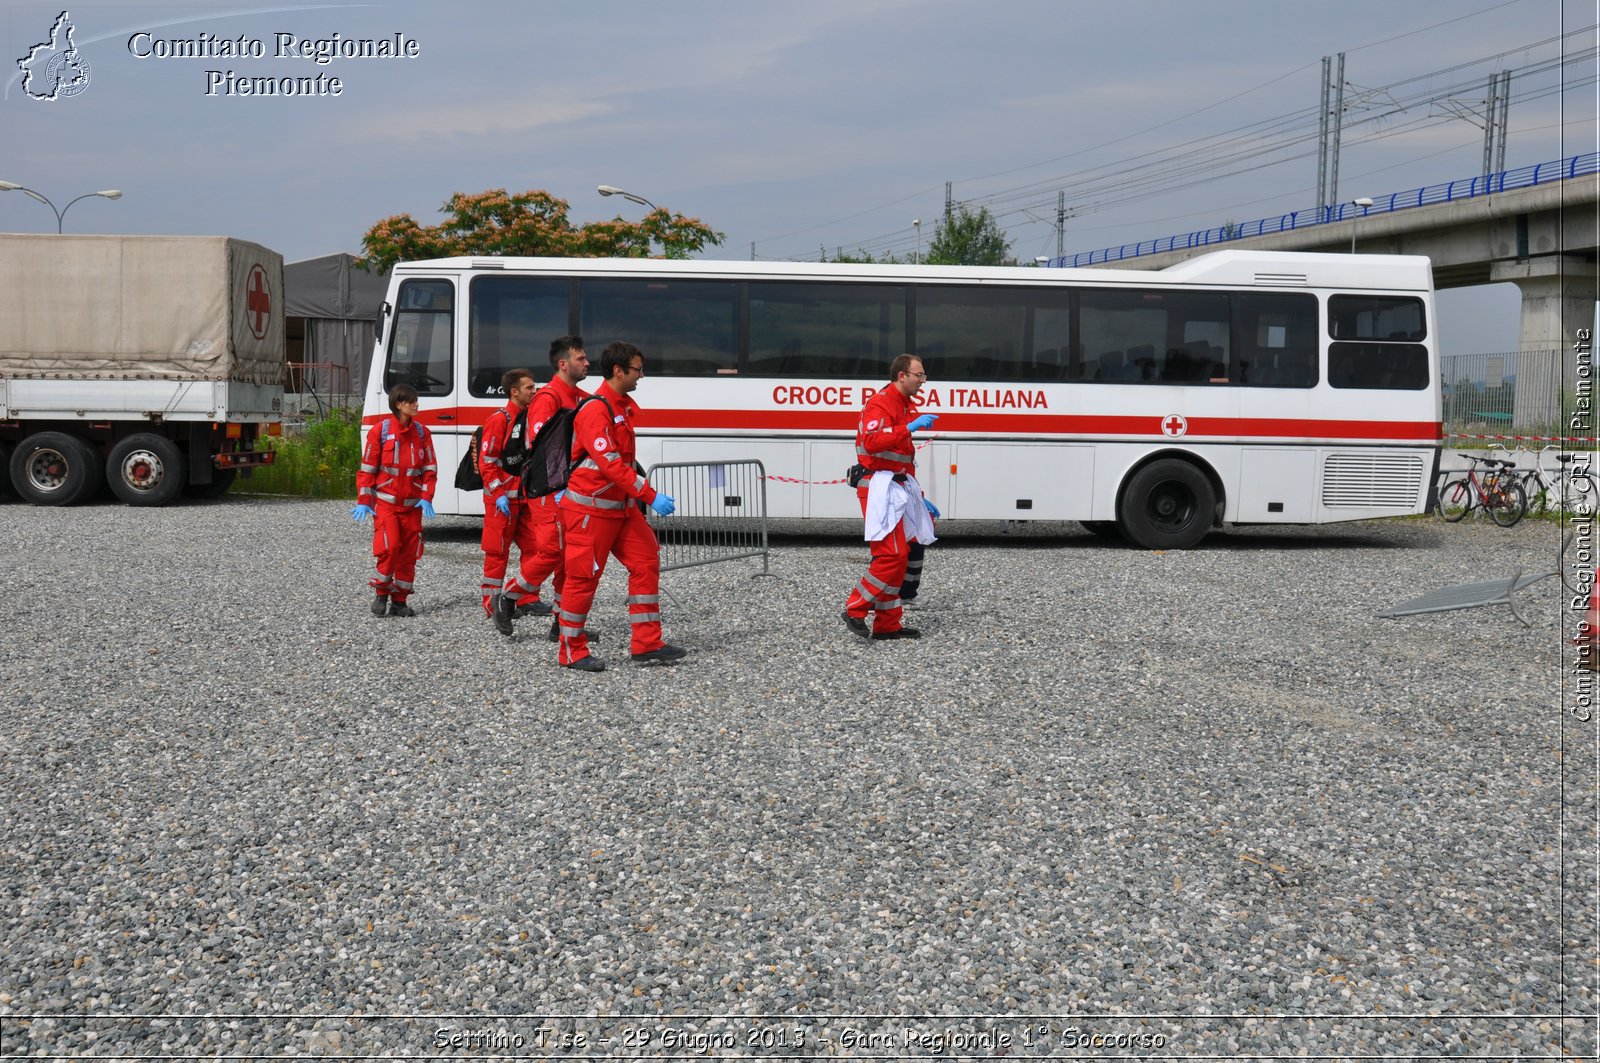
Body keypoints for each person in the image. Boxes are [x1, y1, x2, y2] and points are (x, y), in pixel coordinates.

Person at [555, 341, 686, 672]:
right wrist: (649, 494)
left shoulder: (620, 407)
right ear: (619, 370)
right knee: (583, 578)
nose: (642, 375)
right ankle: (570, 650)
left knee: (646, 561)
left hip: (619, 509)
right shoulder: (595, 410)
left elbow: (619, 464)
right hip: (591, 512)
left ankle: (646, 643)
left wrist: (637, 497)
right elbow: (611, 463)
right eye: (638, 369)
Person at [493, 336, 594, 642]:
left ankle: (561, 623)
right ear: (563, 364)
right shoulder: (548, 399)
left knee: (571, 556)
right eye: (581, 358)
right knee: (552, 551)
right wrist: (559, 487)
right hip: (549, 491)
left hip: (569, 490)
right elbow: (541, 450)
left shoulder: (581, 397)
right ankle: (509, 596)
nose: (587, 362)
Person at [843, 354, 938, 640]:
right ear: (901, 375)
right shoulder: (882, 403)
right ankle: (854, 608)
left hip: (895, 486)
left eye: (923, 375)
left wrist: (917, 496)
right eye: (918, 375)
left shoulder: (903, 404)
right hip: (879, 487)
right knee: (892, 555)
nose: (923, 381)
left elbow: (901, 460)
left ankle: (887, 625)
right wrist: (908, 428)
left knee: (902, 554)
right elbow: (873, 442)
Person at [353, 383, 438, 616]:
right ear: (399, 405)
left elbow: (430, 470)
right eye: (412, 401)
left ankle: (400, 601)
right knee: (388, 549)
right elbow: (367, 470)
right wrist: (364, 500)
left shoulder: (422, 433)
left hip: (412, 509)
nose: (416, 404)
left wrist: (426, 496)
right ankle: (381, 595)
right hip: (387, 506)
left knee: (409, 554)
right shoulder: (379, 432)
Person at [477, 367, 551, 623]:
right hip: (503, 502)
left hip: (524, 500)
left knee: (536, 548)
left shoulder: (530, 418)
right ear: (514, 391)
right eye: (529, 387)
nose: (535, 391)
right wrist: (498, 494)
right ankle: (492, 604)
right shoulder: (499, 420)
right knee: (497, 552)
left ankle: (527, 598)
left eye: (534, 386)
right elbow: (486, 462)